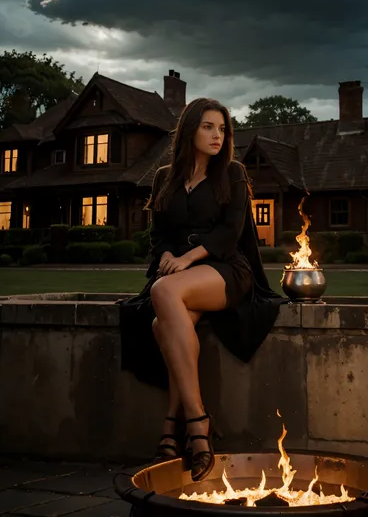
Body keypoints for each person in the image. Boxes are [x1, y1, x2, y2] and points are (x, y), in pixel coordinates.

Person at [119, 98, 286, 483]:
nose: (217, 135)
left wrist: (187, 258)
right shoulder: (165, 178)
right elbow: (157, 235)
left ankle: (190, 422)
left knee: (163, 294)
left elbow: (230, 234)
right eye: (208, 127)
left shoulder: (233, 173)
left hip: (226, 270)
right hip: (177, 276)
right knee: (165, 325)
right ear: (190, 130)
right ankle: (188, 425)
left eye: (222, 129)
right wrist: (165, 255)